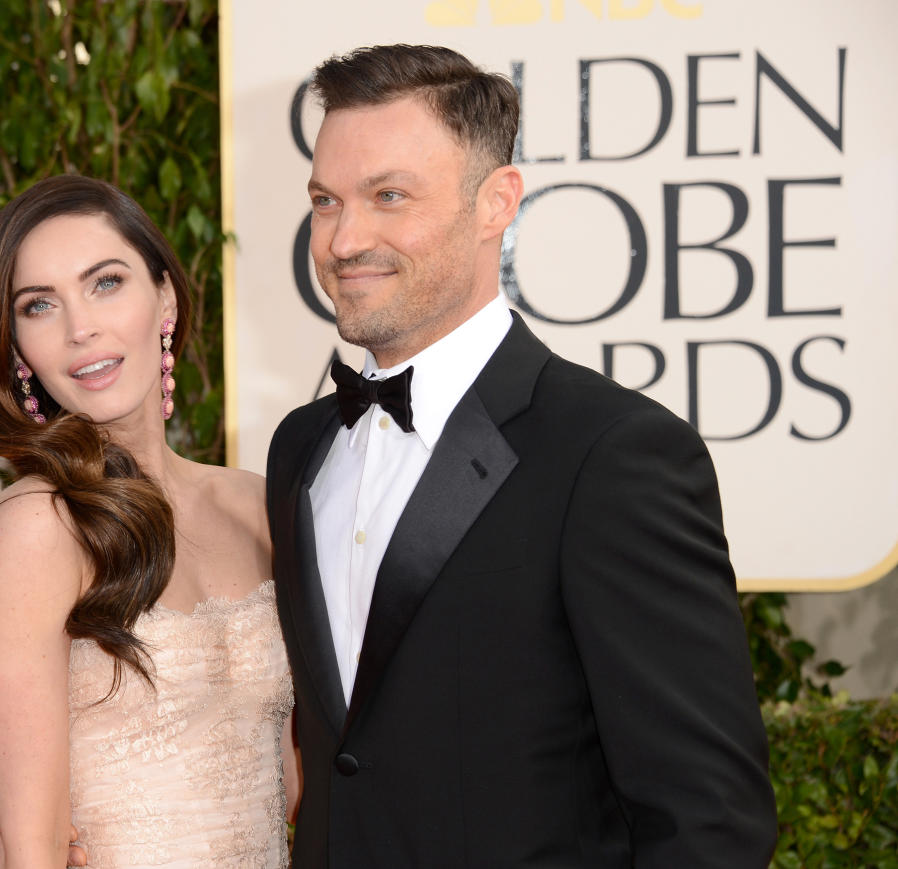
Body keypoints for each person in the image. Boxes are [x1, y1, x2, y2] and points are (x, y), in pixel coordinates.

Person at [265, 44, 777, 867]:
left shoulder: (613, 456)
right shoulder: (301, 448)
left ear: (496, 202)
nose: (343, 237)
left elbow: (709, 819)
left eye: (388, 195)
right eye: (326, 200)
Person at [0, 175, 296, 869]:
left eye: (105, 282)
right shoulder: (36, 527)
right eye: (39, 305)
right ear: (17, 347)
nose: (80, 327)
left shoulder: (257, 506)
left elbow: (295, 782)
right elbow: (30, 845)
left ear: (164, 294)